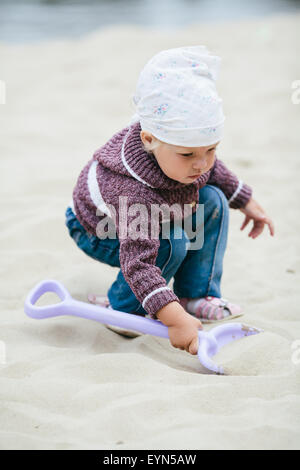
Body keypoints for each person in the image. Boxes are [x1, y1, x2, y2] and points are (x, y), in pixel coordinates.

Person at [65, 46, 274, 356]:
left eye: (211, 149)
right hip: (101, 229)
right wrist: (174, 320)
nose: (201, 164)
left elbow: (213, 170)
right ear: (149, 140)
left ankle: (195, 295)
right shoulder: (131, 189)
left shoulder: (186, 155)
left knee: (213, 200)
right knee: (169, 242)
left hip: (157, 211)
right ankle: (125, 306)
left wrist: (244, 199)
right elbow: (138, 263)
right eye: (188, 154)